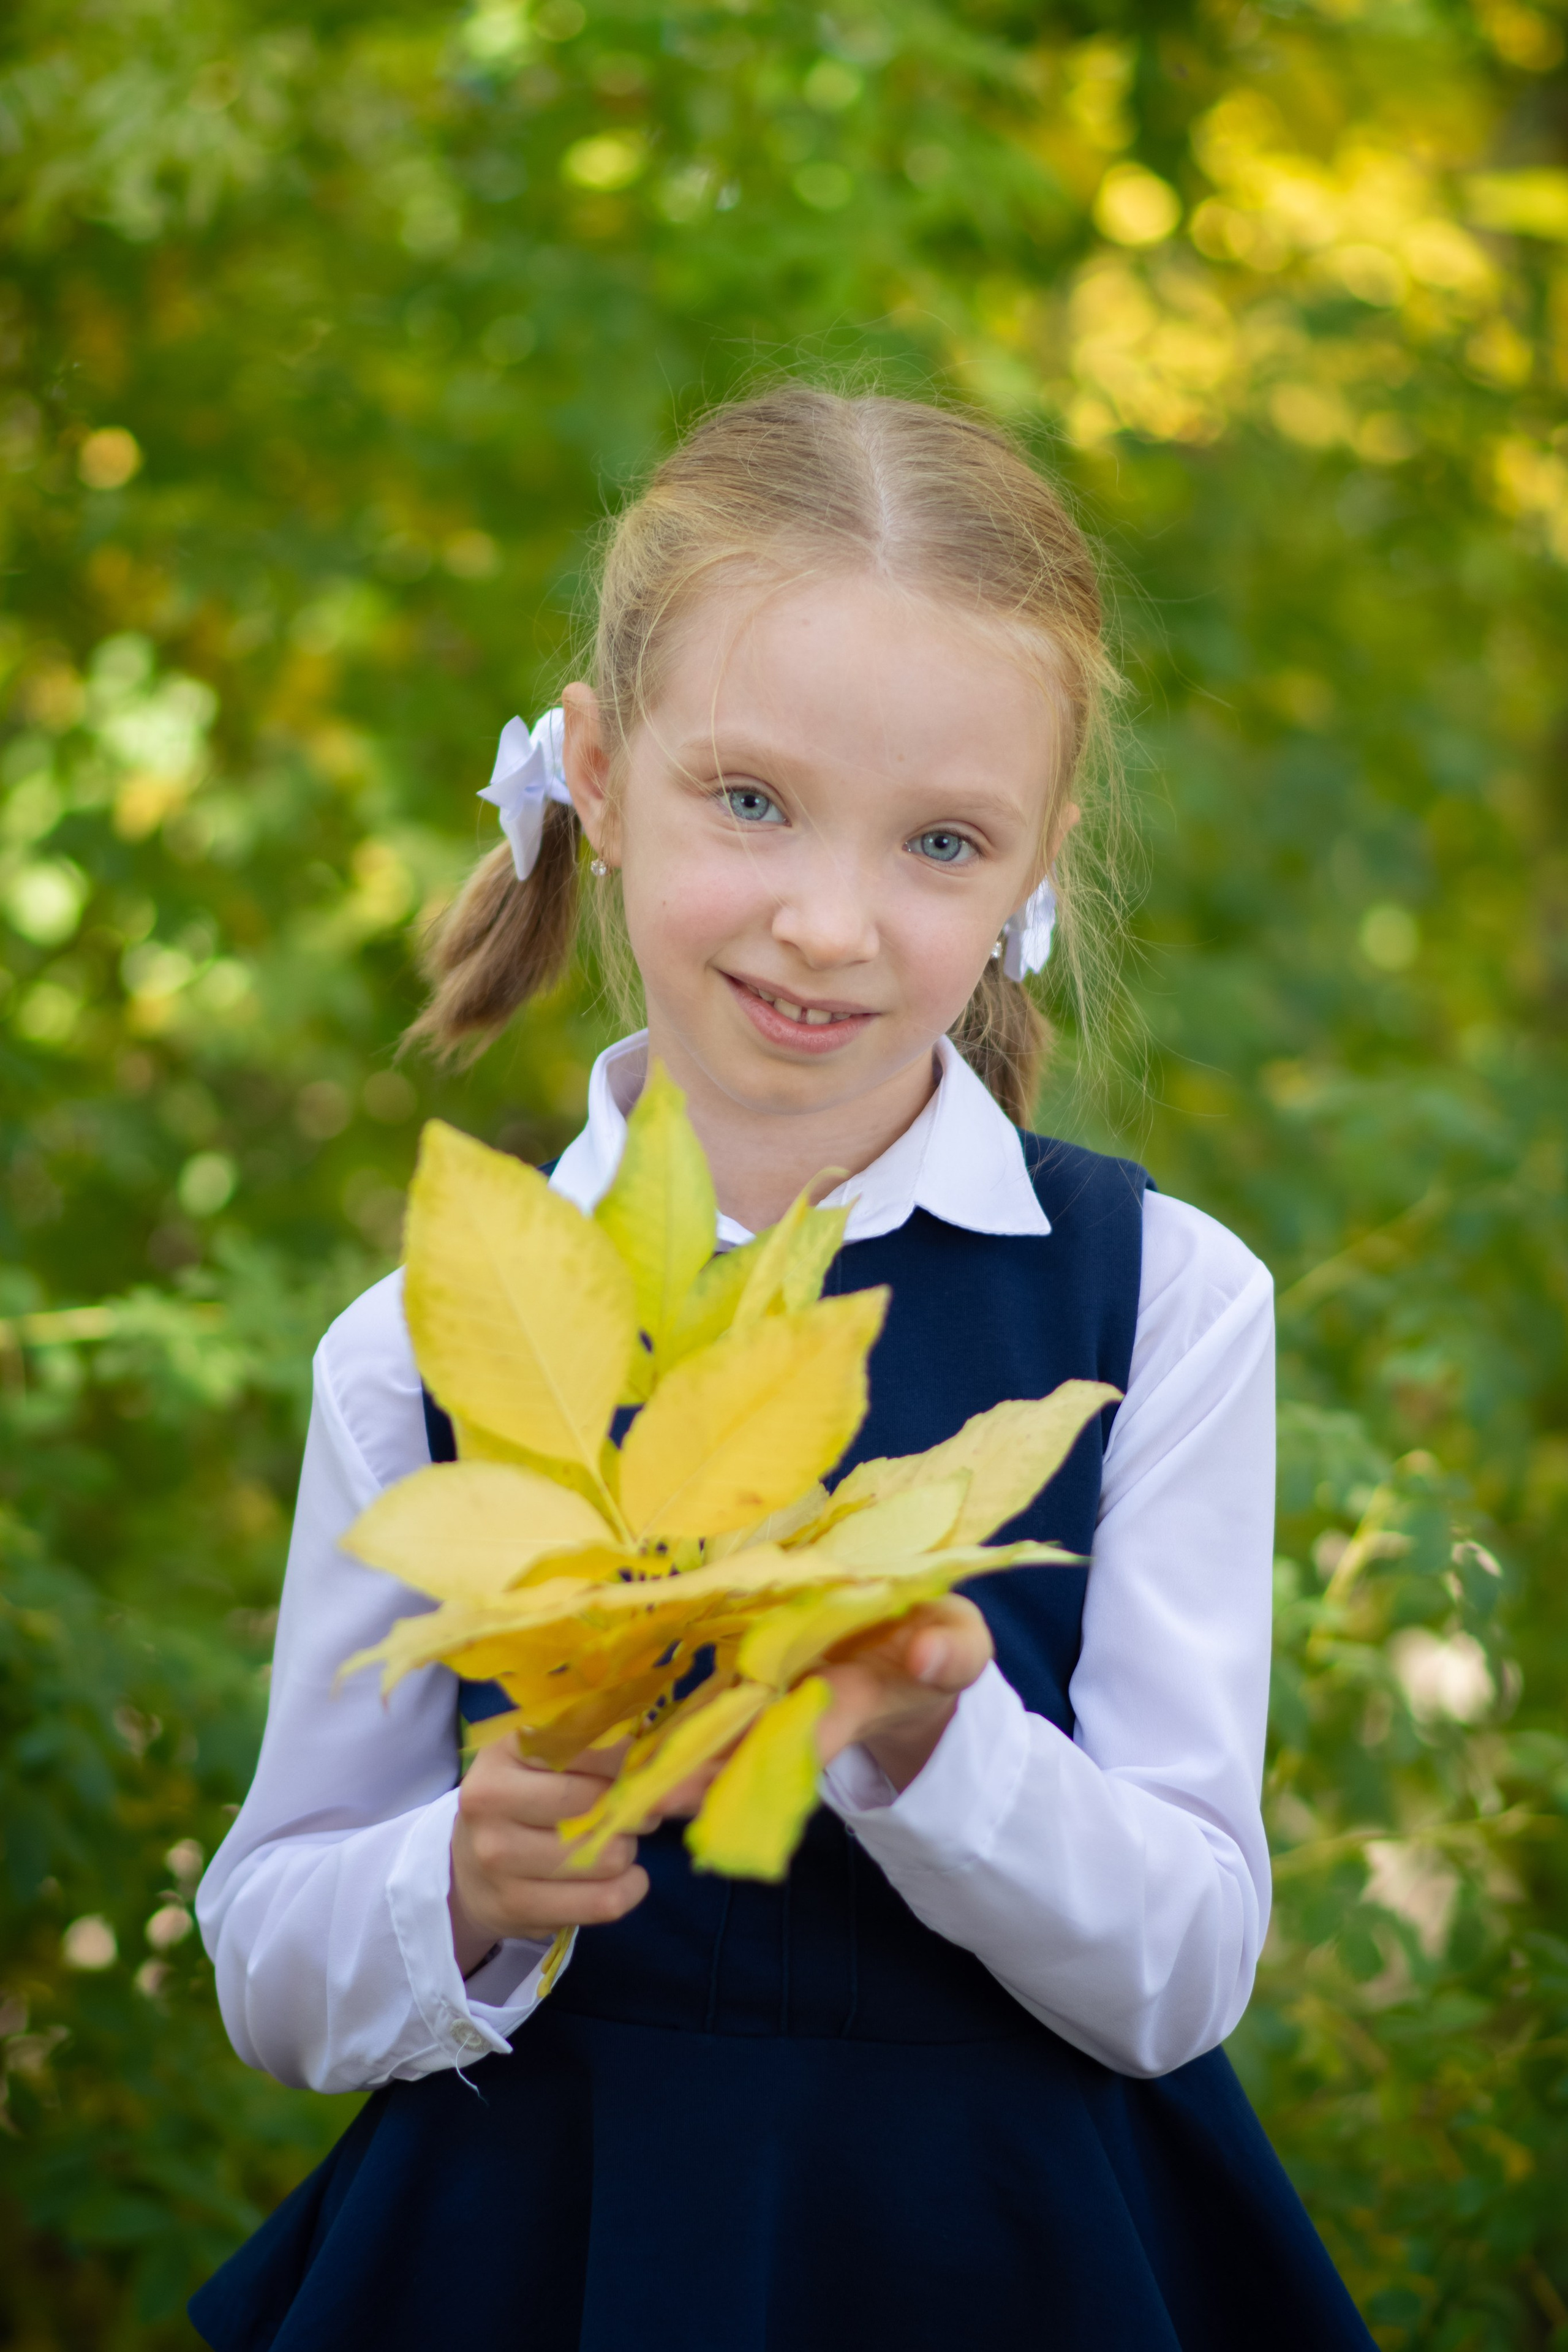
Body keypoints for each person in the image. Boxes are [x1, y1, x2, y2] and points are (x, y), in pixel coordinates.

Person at [190, 387, 1375, 2351]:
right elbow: (275, 1960)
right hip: (541, 2254)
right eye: (750, 802)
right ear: (595, 767)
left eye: (939, 842)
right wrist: (458, 1885)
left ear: (1034, 872)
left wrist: (927, 1740)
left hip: (1010, 2255)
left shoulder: (1156, 1300)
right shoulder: (423, 1341)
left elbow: (1181, 1967)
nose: (830, 921)